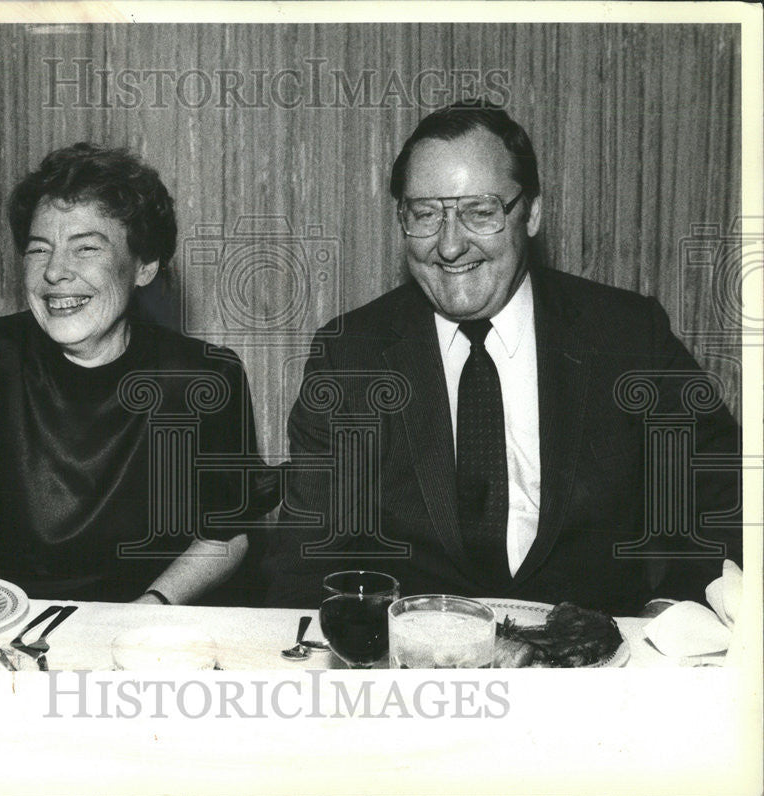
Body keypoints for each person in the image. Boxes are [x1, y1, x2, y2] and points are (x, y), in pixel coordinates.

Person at [263, 102, 741, 615]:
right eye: (425, 214)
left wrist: (675, 610)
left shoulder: (626, 334)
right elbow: (308, 558)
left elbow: (720, 498)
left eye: (480, 212)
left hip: (594, 667)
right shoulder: (349, 355)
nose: (449, 245)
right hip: (419, 672)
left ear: (530, 212)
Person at [0, 143, 276, 604]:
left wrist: (150, 610)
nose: (55, 271)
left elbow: (224, 535)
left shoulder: (205, 378)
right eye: (39, 250)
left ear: (144, 266)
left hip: (139, 630)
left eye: (86, 249)